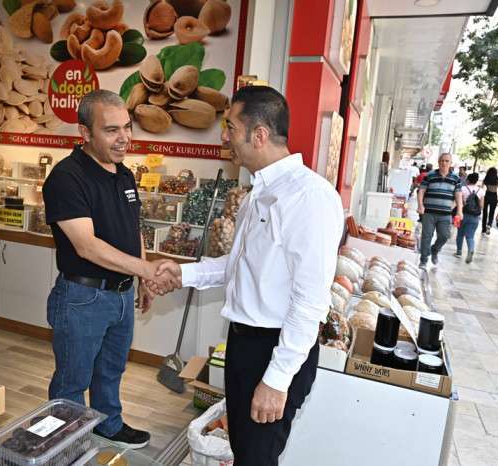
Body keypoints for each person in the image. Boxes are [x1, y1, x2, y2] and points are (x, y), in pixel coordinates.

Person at [149, 86, 344, 466]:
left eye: (231, 128)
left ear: (259, 134)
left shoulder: (309, 197)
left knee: (257, 458)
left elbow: (310, 300)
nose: (224, 137)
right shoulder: (257, 194)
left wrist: (277, 379)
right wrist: (182, 273)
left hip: (274, 349)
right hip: (242, 344)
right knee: (244, 452)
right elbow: (238, 265)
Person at [42, 90, 177, 449]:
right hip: (82, 297)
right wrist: (147, 269)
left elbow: (133, 229)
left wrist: (143, 277)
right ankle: (65, 442)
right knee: (73, 379)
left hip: (120, 296)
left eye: (127, 128)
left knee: (111, 369)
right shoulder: (67, 177)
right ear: (85, 132)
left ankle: (108, 424)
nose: (124, 138)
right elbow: (86, 246)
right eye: (111, 130)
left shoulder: (124, 175)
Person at [417, 153, 463, 268]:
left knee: (445, 236)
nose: (444, 163)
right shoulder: (430, 176)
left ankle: (435, 250)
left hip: (445, 214)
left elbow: (458, 195)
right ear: (438, 162)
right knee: (426, 236)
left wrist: (459, 211)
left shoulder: (456, 178)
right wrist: (420, 205)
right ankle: (423, 260)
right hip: (429, 212)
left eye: (447, 161)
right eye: (442, 160)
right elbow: (421, 191)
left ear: (451, 163)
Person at [455, 173, 484, 263]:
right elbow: (481, 206)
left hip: (462, 214)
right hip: (475, 217)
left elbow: (458, 202)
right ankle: (470, 250)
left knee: (460, 234)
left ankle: (459, 252)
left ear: (467, 180)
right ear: (476, 181)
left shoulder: (462, 189)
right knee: (470, 236)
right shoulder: (481, 190)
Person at [482, 167, 498, 235]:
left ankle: (483, 229)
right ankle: (489, 225)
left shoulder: (486, 179)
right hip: (494, 196)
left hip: (487, 195)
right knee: (492, 212)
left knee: (485, 212)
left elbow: (482, 188)